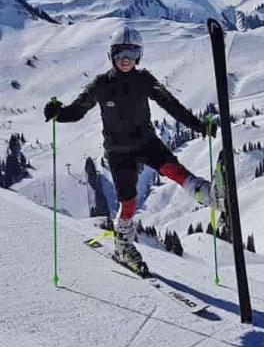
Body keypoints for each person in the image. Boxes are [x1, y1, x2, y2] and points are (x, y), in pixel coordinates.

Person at [44, 25, 222, 273]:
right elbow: (77, 111)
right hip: (118, 152)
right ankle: (123, 246)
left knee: (175, 171)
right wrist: (58, 114)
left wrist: (198, 125)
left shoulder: (145, 79)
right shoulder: (101, 84)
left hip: (146, 142)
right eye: (120, 53)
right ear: (112, 55)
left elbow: (170, 104)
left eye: (132, 53)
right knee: (128, 203)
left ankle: (210, 195)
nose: (126, 59)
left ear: (139, 56)